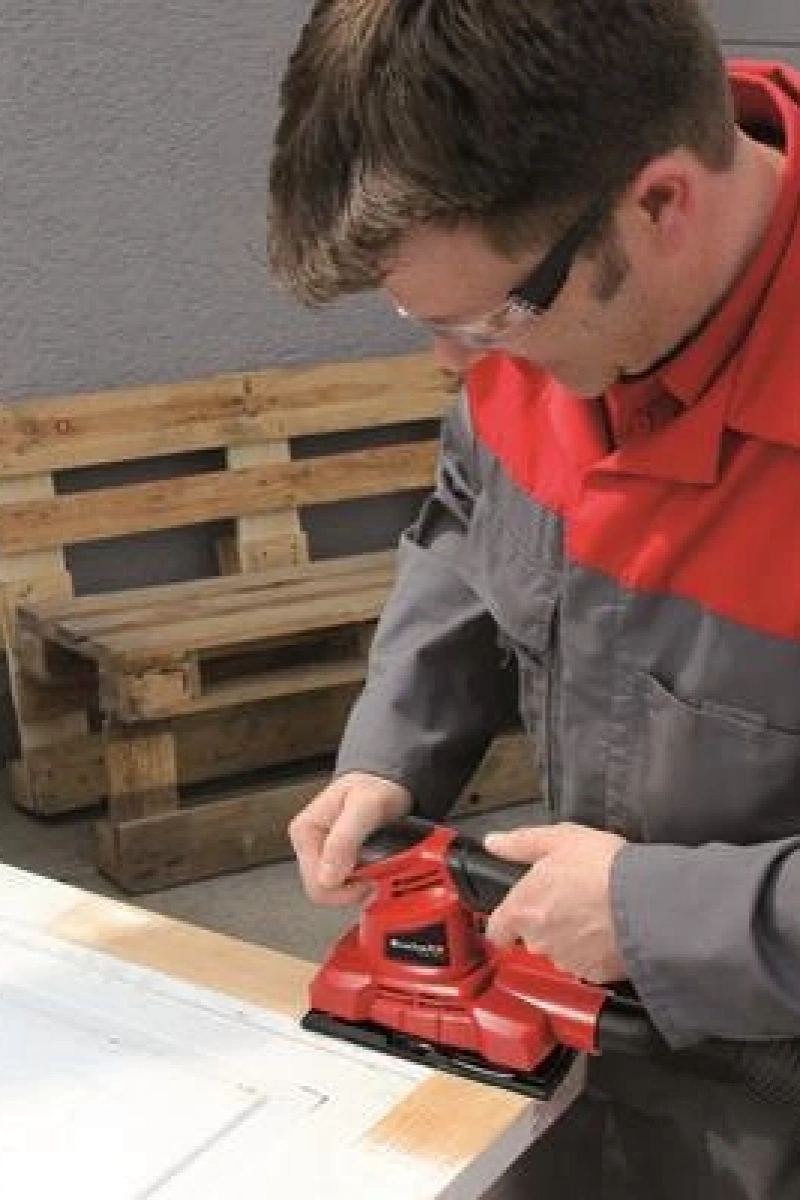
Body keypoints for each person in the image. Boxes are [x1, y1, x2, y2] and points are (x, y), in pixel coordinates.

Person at [268, 2, 800, 1195]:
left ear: (658, 204)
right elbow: (468, 527)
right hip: (598, 1054)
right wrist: (391, 754)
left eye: (484, 318)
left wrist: (664, 916)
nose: (455, 365)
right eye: (426, 324)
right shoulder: (548, 322)